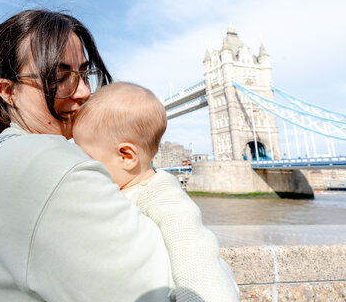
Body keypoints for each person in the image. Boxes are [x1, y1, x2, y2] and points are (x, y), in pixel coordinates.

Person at [0, 10, 176, 301]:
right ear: (8, 91)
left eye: (84, 73)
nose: (83, 92)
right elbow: (157, 292)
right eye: (59, 76)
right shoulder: (48, 163)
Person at [72, 82, 240, 301]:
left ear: (126, 156)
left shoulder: (165, 197)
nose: (79, 163)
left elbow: (199, 265)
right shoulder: (117, 189)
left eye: (85, 156)